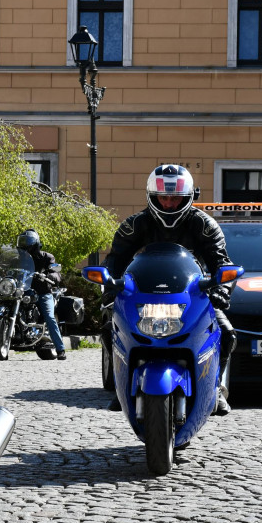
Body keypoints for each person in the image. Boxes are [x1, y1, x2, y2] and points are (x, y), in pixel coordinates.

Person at [101, 164, 236, 415]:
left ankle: (216, 388)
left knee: (227, 333)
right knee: (110, 329)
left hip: (192, 295)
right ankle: (121, 388)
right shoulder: (135, 225)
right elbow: (115, 259)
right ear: (152, 197)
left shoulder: (204, 225)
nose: (170, 204)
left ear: (188, 197)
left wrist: (222, 289)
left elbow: (222, 262)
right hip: (143, 296)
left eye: (176, 198)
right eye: (164, 197)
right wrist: (110, 287)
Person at [16, 229, 67, 360]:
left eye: (27, 242)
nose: (24, 245)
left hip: (43, 293)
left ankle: (60, 349)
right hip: (24, 291)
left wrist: (48, 275)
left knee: (49, 317)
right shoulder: (19, 259)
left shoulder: (47, 257)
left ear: (35, 243)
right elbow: (10, 268)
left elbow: (57, 274)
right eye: (22, 241)